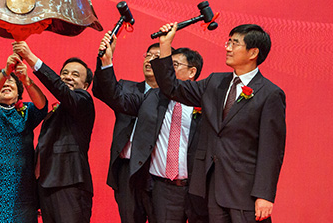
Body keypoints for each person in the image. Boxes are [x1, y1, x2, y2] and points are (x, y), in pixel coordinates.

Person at [151, 23, 286, 222]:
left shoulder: (270, 94)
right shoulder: (215, 82)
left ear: (253, 52)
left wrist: (264, 195)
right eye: (228, 42)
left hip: (245, 192)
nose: (228, 48)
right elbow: (172, 88)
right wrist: (165, 46)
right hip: (211, 189)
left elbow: (271, 150)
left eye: (235, 43)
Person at [13, 41, 95, 223]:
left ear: (86, 85)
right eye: (64, 73)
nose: (68, 77)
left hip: (69, 183)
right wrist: (26, 81)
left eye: (75, 75)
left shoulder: (83, 100)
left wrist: (31, 58)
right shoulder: (58, 110)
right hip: (46, 184)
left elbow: (60, 88)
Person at [92, 34, 165, 223]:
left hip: (156, 169)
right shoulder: (126, 88)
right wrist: (105, 60)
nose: (149, 60)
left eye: (156, 57)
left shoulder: (171, 97)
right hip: (127, 168)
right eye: (148, 55)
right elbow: (101, 90)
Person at [0, 53, 47, 223]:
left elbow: (42, 107)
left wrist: (26, 80)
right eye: (2, 82)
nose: (6, 83)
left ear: (18, 91)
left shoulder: (27, 111)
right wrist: (6, 72)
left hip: (23, 192)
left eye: (11, 81)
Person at [148, 47, 208, 223]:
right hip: (166, 190)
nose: (168, 70)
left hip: (198, 189)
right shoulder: (155, 98)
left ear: (192, 72)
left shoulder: (207, 102)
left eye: (174, 65)